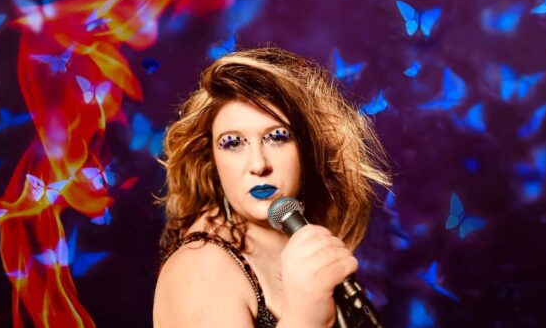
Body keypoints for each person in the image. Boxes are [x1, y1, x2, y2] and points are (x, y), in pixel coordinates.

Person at [152, 47, 391, 328]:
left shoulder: (300, 237)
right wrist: (305, 316)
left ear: (309, 146)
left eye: (277, 137)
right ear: (212, 158)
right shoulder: (199, 270)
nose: (258, 164)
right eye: (233, 142)